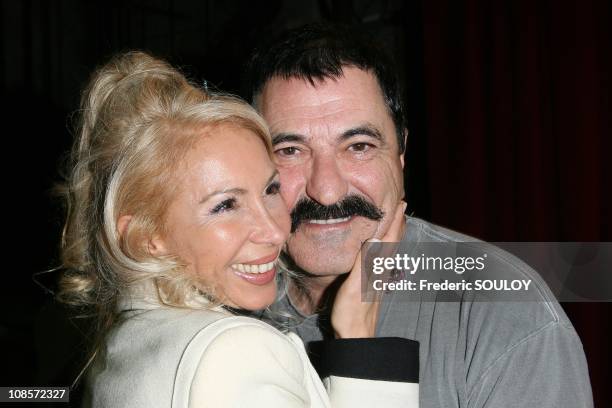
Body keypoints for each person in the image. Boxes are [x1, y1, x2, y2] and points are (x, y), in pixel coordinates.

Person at [246, 23, 594, 407]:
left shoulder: (500, 313)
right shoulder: (219, 298)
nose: (326, 190)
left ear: (401, 154)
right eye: (291, 150)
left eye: (358, 146)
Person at [56, 51, 419, 407]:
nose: (276, 233)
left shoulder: (121, 343)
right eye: (226, 205)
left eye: (271, 189)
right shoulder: (237, 351)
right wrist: (360, 345)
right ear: (146, 236)